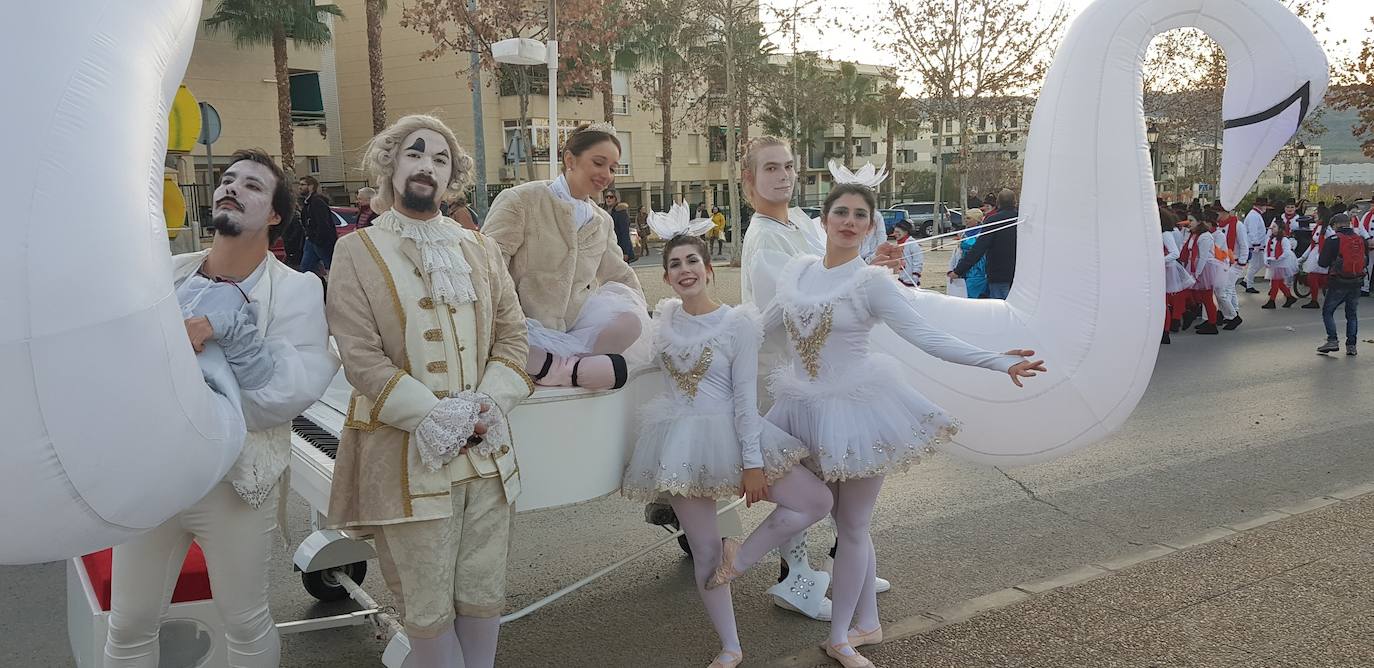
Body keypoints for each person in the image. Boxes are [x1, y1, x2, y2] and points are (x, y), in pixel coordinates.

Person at [717, 183, 1044, 668]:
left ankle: (843, 637)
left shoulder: (871, 283)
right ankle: (867, 621)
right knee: (834, 516)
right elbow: (757, 329)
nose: (849, 221)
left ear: (871, 227)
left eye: (860, 215)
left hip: (859, 414)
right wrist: (694, 335)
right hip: (799, 411)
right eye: (840, 212)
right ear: (824, 221)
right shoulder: (799, 272)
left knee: (852, 525)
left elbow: (926, 336)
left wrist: (997, 361)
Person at [104, 149, 338, 667]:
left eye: (253, 186)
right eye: (227, 180)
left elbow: (282, 396)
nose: (231, 188)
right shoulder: (167, 275)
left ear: (275, 214)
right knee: (130, 623)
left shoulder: (296, 291)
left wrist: (217, 342)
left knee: (245, 621)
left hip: (235, 484)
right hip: (155, 478)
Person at [325, 115, 533, 668]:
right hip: (407, 461)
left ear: (452, 178)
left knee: (483, 596)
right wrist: (433, 417)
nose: (427, 166)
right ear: (391, 165)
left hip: (488, 461)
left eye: (441, 159)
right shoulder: (356, 251)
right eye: (415, 153)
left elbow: (514, 335)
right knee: (427, 609)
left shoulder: (481, 249)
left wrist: (487, 405)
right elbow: (360, 355)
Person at [621, 235, 817, 668]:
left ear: (709, 269)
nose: (684, 269)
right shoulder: (664, 320)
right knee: (704, 551)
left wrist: (752, 464)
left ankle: (742, 555)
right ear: (668, 276)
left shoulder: (738, 323)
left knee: (816, 500)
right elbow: (640, 363)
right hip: (678, 443)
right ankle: (730, 647)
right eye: (675, 264)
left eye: (693, 260)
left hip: (735, 432)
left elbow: (745, 400)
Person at [736, 136, 901, 621]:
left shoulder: (799, 223)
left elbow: (836, 273)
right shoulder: (765, 238)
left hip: (820, 374)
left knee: (838, 476)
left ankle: (849, 563)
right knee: (808, 481)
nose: (783, 175)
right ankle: (797, 576)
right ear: (749, 179)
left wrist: (871, 270)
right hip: (791, 375)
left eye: (788, 166)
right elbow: (796, 312)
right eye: (770, 168)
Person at [484, 124, 649, 390]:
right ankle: (567, 369)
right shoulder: (521, 200)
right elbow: (489, 264)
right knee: (513, 345)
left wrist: (645, 316)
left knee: (631, 321)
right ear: (570, 159)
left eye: (613, 168)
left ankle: (563, 369)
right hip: (521, 327)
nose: (606, 174)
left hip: (573, 330)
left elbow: (619, 274)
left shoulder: (602, 220)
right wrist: (506, 318)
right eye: (599, 163)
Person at [949, 189, 1018, 299]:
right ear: (1015, 202)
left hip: (998, 274)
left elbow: (978, 249)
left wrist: (958, 270)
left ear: (998, 204)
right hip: (1020, 275)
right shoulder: (1021, 220)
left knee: (999, 309)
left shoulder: (993, 221)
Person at [1317, 213, 1364, 355]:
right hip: (1357, 281)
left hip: (1338, 282)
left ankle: (1332, 340)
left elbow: (1322, 263)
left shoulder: (1333, 239)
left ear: (1336, 225)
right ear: (1348, 223)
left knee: (1328, 311)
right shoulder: (1360, 239)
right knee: (1352, 314)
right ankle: (1351, 346)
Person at [1179, 216, 1223, 335]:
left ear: (1199, 222)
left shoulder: (1204, 236)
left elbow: (1203, 257)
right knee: (1199, 296)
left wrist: (1197, 273)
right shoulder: (1194, 235)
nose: (1189, 222)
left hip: (1204, 269)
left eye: (1192, 220)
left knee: (1206, 297)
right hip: (1195, 266)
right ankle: (1209, 319)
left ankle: (1212, 323)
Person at [1161, 207, 1194, 344]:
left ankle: (1166, 331)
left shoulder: (1165, 234)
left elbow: (1175, 253)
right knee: (1165, 301)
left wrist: (1158, 262)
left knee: (1165, 302)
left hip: (1166, 269)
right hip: (1164, 269)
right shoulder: (1164, 233)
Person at [1212, 205, 1247, 330]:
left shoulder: (1237, 225)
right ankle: (1233, 312)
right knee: (1229, 289)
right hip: (1224, 261)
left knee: (1225, 289)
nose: (1218, 214)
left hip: (1235, 261)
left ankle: (1232, 315)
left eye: (1219, 211)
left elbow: (1244, 244)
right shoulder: (1219, 225)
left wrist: (1242, 261)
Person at [297, 175, 338, 276]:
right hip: (311, 240)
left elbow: (323, 223)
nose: (299, 187)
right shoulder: (308, 203)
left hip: (321, 241)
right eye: (299, 184)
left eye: (303, 185)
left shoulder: (317, 202)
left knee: (331, 267)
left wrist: (318, 239)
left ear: (311, 187)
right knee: (306, 268)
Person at [947, 208, 986, 299]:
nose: (966, 220)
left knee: (973, 294)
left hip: (977, 267)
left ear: (976, 220)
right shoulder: (964, 233)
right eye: (966, 218)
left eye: (969, 218)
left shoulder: (982, 233)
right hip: (963, 266)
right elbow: (958, 251)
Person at [1261, 222, 1298, 309]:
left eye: (1274, 227)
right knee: (1279, 283)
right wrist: (1266, 258)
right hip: (1274, 263)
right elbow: (1266, 250)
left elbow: (1286, 252)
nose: (1272, 229)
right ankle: (1289, 297)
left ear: (1280, 228)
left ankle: (1272, 301)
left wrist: (1277, 258)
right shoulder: (1270, 239)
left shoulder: (1284, 240)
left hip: (1281, 263)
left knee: (1275, 282)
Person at [1298, 215, 1332, 308]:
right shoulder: (1318, 227)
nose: (1315, 217)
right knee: (1316, 277)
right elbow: (1313, 243)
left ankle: (1315, 300)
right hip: (1316, 253)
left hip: (1321, 253)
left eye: (1317, 215)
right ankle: (1315, 299)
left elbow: (1332, 241)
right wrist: (1303, 256)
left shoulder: (1327, 230)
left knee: (1316, 277)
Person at [1241, 197, 1270, 292]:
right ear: (1261, 206)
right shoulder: (1254, 216)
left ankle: (1246, 281)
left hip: (1257, 244)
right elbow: (1253, 232)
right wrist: (1256, 244)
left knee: (1258, 263)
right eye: (1265, 206)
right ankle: (1248, 284)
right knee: (1256, 264)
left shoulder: (1255, 215)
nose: (1265, 208)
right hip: (1255, 245)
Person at [604, 188, 636, 262]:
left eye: (611, 197)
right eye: (606, 197)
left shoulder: (621, 212)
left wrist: (625, 252)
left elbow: (624, 233)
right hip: (608, 247)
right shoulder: (604, 211)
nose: (608, 199)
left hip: (619, 246)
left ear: (616, 199)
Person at [892, 220, 924, 287]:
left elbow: (918, 260)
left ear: (906, 232)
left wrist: (915, 275)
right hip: (901, 277)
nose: (895, 234)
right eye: (895, 232)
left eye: (898, 232)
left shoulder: (912, 243)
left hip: (910, 279)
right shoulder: (899, 244)